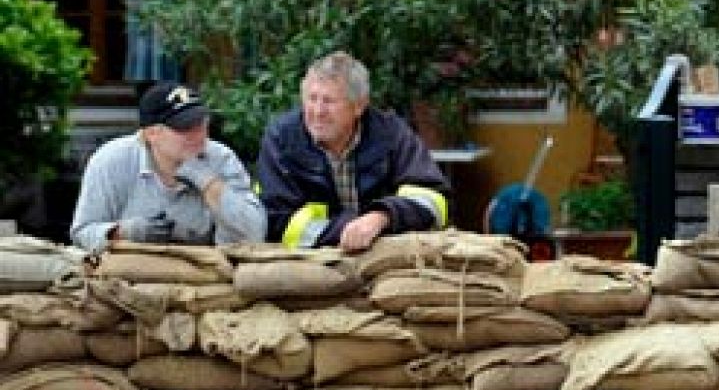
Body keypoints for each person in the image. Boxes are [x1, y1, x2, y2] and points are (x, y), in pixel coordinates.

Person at [257, 51, 450, 252]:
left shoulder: (392, 134)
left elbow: (433, 199)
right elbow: (277, 219)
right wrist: (349, 231)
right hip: (311, 261)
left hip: (388, 255)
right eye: (312, 99)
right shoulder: (281, 139)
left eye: (329, 101)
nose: (318, 111)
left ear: (358, 106)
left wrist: (382, 217)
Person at [71, 81, 266, 250]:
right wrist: (126, 232)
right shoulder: (111, 160)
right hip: (128, 276)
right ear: (151, 134)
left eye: (202, 124)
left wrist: (208, 183)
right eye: (185, 128)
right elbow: (82, 234)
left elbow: (254, 235)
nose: (199, 136)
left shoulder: (221, 159)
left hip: (204, 276)